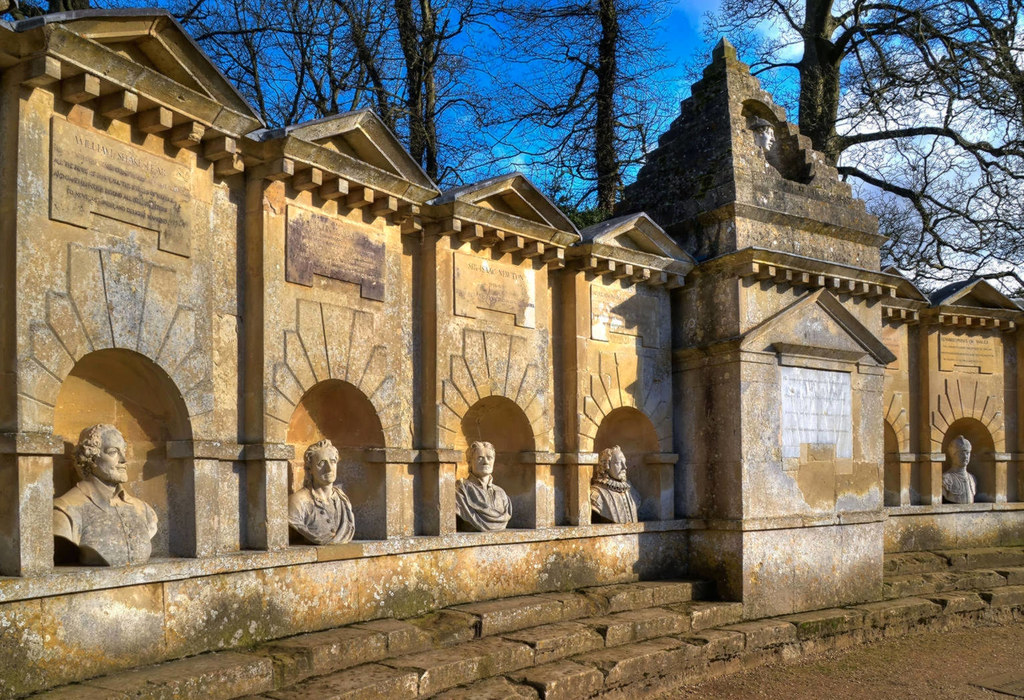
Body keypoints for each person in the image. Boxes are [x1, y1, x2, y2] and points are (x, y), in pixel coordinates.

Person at [53, 424, 158, 567]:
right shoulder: (66, 510)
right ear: (91, 458)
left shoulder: (143, 509)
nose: (124, 459)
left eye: (124, 451)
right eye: (113, 452)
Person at [289, 438, 356, 545]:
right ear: (309, 468)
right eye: (322, 463)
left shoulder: (343, 500)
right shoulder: (297, 502)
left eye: (333, 461)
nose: (329, 469)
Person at [455, 441, 512, 531]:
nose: (486, 462)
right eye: (480, 458)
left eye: (489, 458)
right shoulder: (460, 490)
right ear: (469, 462)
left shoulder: (501, 493)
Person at [590, 445, 641, 524]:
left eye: (624, 462)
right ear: (606, 465)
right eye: (618, 463)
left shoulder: (632, 492)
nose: (624, 467)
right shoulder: (596, 493)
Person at [942, 435, 977, 504]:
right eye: (961, 453)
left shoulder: (972, 478)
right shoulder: (945, 479)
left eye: (967, 453)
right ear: (953, 455)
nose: (965, 456)